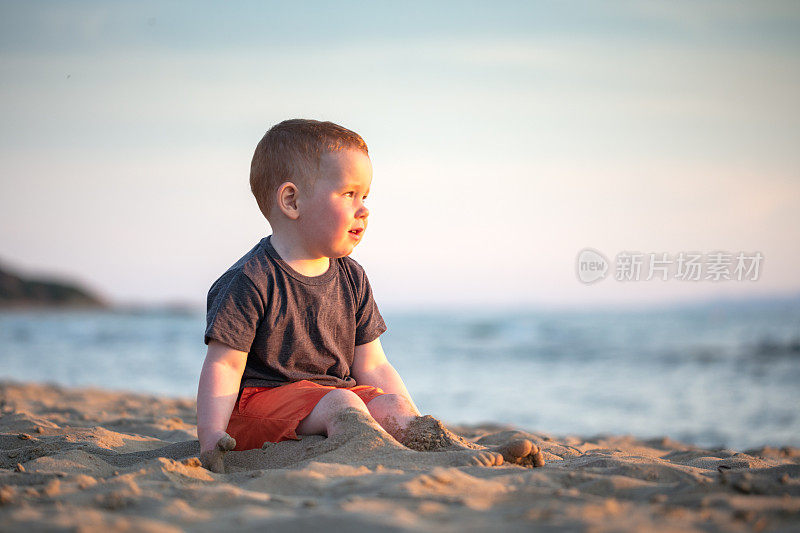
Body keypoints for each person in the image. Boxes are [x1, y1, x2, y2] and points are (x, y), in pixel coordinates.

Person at [196, 119, 544, 473]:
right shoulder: (250, 279)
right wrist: (211, 436)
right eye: (348, 194)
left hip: (335, 404)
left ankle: (447, 449)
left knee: (389, 404)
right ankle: (385, 452)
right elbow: (224, 364)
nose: (363, 208)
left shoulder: (352, 276)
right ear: (291, 200)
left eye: (365, 196)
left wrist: (411, 416)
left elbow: (373, 364)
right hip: (261, 408)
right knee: (341, 400)